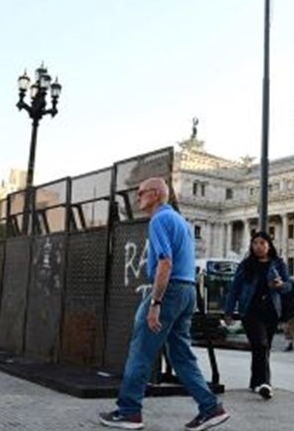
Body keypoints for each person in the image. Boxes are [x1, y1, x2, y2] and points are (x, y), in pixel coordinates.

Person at [98, 178, 229, 431]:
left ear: (156, 194)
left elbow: (165, 262)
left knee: (141, 352)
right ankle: (210, 408)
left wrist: (155, 302)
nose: (138, 198)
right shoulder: (181, 221)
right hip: (187, 290)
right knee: (181, 356)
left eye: (141, 192)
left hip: (168, 292)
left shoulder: (159, 219)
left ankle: (129, 412)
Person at [224, 231, 292, 400]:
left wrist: (281, 284)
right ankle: (265, 384)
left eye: (262, 243)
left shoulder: (278, 264)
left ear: (269, 245)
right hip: (250, 310)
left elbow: (289, 286)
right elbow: (235, 289)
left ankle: (255, 382)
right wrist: (229, 311)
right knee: (261, 345)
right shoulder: (245, 265)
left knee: (262, 347)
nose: (259, 247)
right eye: (255, 243)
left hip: (270, 310)